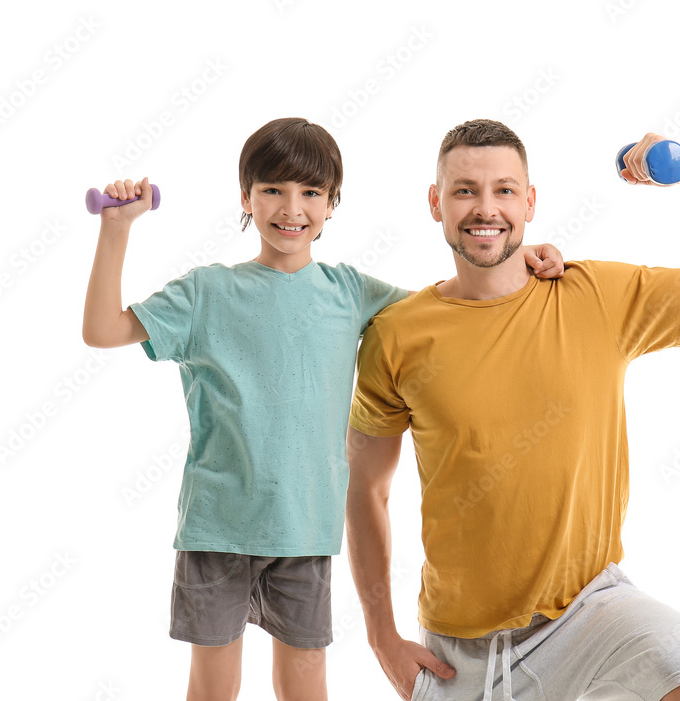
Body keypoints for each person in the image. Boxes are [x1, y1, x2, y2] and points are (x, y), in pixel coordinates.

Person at [81, 117, 565, 701]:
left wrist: (518, 258)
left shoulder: (350, 292)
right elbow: (103, 330)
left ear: (333, 203)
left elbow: (450, 312)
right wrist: (116, 229)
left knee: (307, 687)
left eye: (311, 192)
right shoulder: (206, 293)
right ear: (246, 197)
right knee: (212, 689)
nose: (292, 208)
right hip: (217, 529)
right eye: (273, 190)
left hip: (306, 530)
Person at [346, 119, 680, 701]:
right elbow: (365, 491)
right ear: (436, 203)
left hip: (591, 619)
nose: (486, 208)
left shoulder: (595, 297)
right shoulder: (397, 335)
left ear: (530, 202)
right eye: (465, 190)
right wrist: (381, 638)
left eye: (505, 190)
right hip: (458, 653)